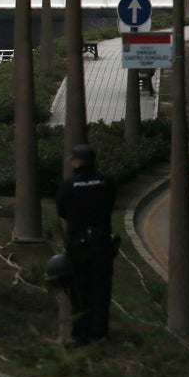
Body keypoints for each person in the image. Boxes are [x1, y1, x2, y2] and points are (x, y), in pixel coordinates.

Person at [56, 144, 118, 346]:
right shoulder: (106, 182)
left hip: (78, 245)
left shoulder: (68, 186)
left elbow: (62, 212)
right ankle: (99, 334)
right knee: (101, 291)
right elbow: (110, 206)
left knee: (79, 291)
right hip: (101, 243)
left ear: (76, 163)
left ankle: (79, 334)